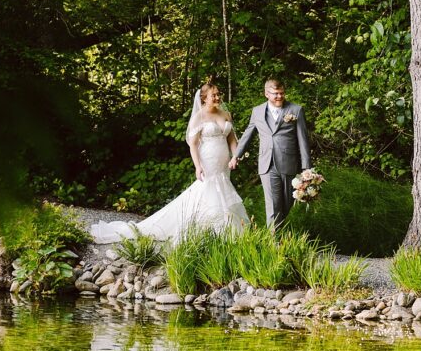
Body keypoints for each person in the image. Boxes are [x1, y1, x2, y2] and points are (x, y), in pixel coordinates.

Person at [90, 82, 250, 244]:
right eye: (213, 95)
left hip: (223, 162)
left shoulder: (225, 114)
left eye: (218, 94)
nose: (217, 97)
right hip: (208, 159)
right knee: (208, 189)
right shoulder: (199, 117)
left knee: (223, 188)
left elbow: (231, 139)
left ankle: (228, 229)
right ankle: (211, 230)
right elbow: (193, 144)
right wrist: (198, 166)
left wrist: (235, 156)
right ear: (203, 98)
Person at [230, 79, 311, 228]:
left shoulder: (296, 110)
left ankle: (278, 235)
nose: (279, 96)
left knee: (287, 204)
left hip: (289, 163)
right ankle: (274, 244)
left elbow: (303, 140)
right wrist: (236, 156)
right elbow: (248, 134)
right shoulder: (257, 111)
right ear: (266, 94)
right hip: (267, 164)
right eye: (275, 94)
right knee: (273, 205)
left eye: (282, 93)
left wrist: (307, 168)